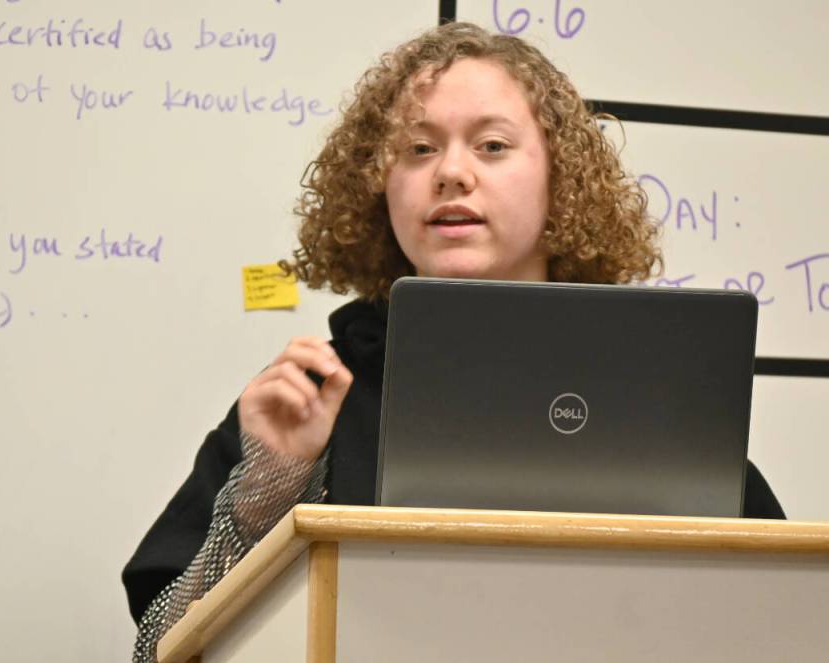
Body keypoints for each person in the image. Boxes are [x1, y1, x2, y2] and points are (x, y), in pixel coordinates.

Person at [123, 21, 785, 662]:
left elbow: (789, 614)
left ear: (562, 180)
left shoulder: (654, 399)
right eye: (417, 148)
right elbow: (160, 647)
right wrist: (271, 489)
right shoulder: (310, 398)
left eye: (492, 145)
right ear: (379, 187)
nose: (450, 173)